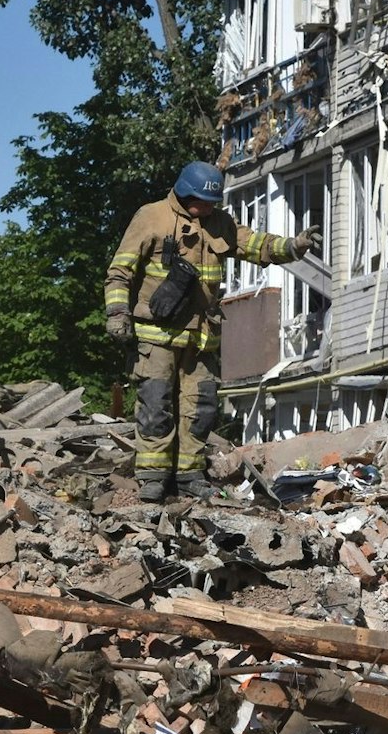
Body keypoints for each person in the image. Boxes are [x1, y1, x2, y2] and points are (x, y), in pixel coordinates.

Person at [105, 161, 319, 502]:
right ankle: (153, 477)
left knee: (200, 407)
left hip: (202, 337)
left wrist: (294, 246)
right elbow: (120, 272)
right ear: (183, 191)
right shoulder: (151, 217)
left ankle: (190, 475)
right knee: (155, 405)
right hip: (157, 335)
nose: (205, 209)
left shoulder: (220, 224)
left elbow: (256, 244)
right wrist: (117, 312)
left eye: (210, 203)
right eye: (200, 202)